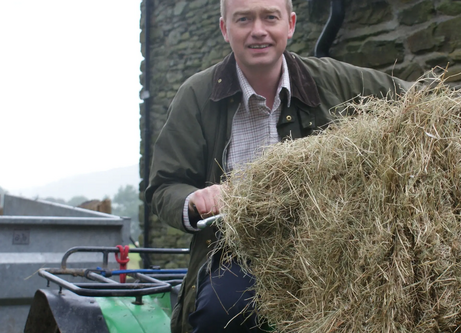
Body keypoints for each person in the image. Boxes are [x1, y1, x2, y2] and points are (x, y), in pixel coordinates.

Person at [145, 0, 412, 332]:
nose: (259, 31)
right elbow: (164, 186)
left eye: (270, 17)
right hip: (236, 255)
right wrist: (194, 200)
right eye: (244, 19)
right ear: (225, 29)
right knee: (221, 315)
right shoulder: (197, 96)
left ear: (290, 24)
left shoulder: (333, 79)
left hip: (332, 251)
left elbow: (417, 102)